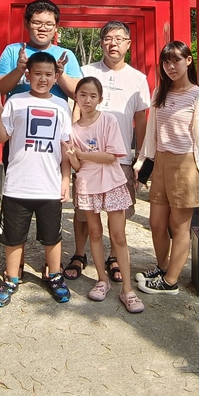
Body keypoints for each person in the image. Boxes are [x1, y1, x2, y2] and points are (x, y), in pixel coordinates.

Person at [63, 21, 150, 285]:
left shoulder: (138, 78)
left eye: (119, 38)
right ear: (101, 42)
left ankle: (114, 257)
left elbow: (141, 119)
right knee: (82, 209)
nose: (113, 43)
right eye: (108, 38)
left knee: (118, 212)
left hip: (119, 156)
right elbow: (75, 108)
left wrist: (140, 156)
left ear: (128, 44)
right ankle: (79, 254)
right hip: (86, 153)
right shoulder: (86, 71)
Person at [0, 52, 73, 307]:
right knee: (14, 237)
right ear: (28, 74)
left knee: (52, 237)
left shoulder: (62, 105)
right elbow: (2, 138)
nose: (43, 79)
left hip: (49, 184)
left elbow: (66, 146)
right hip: (18, 183)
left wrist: (66, 179)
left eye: (49, 74)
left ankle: (55, 276)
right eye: (37, 74)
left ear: (56, 76)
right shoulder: (16, 102)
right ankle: (11, 278)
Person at [134, 41, 199, 296]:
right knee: (156, 222)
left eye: (176, 61)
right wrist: (143, 160)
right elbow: (152, 132)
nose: (171, 67)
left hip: (186, 164)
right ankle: (162, 267)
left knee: (179, 226)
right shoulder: (160, 93)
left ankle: (170, 281)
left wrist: (198, 168)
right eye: (166, 62)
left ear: (188, 61)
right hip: (161, 161)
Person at [66, 77, 145, 314]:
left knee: (118, 235)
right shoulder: (72, 129)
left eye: (92, 96)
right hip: (87, 185)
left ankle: (128, 290)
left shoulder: (108, 120)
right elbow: (77, 166)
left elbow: (112, 156)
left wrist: (81, 154)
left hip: (112, 183)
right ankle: (102, 280)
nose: (87, 100)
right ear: (76, 98)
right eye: (83, 95)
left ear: (100, 99)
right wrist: (73, 156)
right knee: (94, 233)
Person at [0, 0, 82, 101]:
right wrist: (18, 71)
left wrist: (60, 74)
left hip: (54, 115)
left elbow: (79, 94)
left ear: (56, 27)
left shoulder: (66, 55)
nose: (42, 28)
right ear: (26, 24)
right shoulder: (12, 50)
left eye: (49, 24)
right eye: (37, 23)